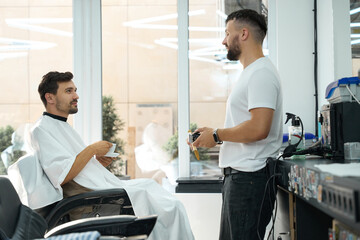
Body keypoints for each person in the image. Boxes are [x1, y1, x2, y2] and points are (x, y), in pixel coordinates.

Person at [30, 71, 194, 240]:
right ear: (50, 98)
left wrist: (97, 165)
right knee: (170, 207)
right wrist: (92, 149)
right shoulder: (42, 130)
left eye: (75, 90)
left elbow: (73, 171)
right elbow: (61, 176)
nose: (76, 95)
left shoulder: (61, 126)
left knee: (156, 191)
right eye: (68, 91)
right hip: (87, 202)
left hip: (92, 192)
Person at [191, 9, 283, 240]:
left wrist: (217, 135)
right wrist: (212, 133)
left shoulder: (261, 73)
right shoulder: (252, 72)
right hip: (242, 178)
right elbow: (248, 124)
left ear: (243, 34)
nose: (223, 40)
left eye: (227, 33)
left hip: (249, 178)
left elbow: (260, 128)